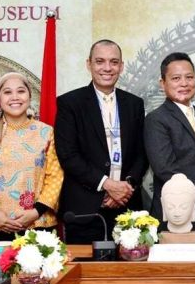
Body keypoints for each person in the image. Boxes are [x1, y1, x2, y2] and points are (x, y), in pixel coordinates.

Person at [54, 40, 148, 243]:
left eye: (114, 62)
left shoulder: (134, 104)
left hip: (127, 206)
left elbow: (142, 153)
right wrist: (107, 185)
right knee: (85, 263)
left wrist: (125, 188)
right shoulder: (70, 103)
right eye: (100, 61)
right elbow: (68, 155)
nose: (107, 68)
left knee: (131, 262)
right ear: (89, 64)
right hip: (85, 209)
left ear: (121, 66)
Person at [0, 72, 64, 250]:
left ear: (29, 96)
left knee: (34, 269)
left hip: (35, 224)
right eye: (7, 92)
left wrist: (35, 213)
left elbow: (55, 177)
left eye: (21, 91)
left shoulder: (46, 133)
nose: (15, 97)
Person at [145, 52, 195, 243]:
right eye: (176, 78)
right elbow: (165, 169)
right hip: (175, 216)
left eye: (189, 77)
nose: (184, 83)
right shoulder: (156, 119)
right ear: (162, 83)